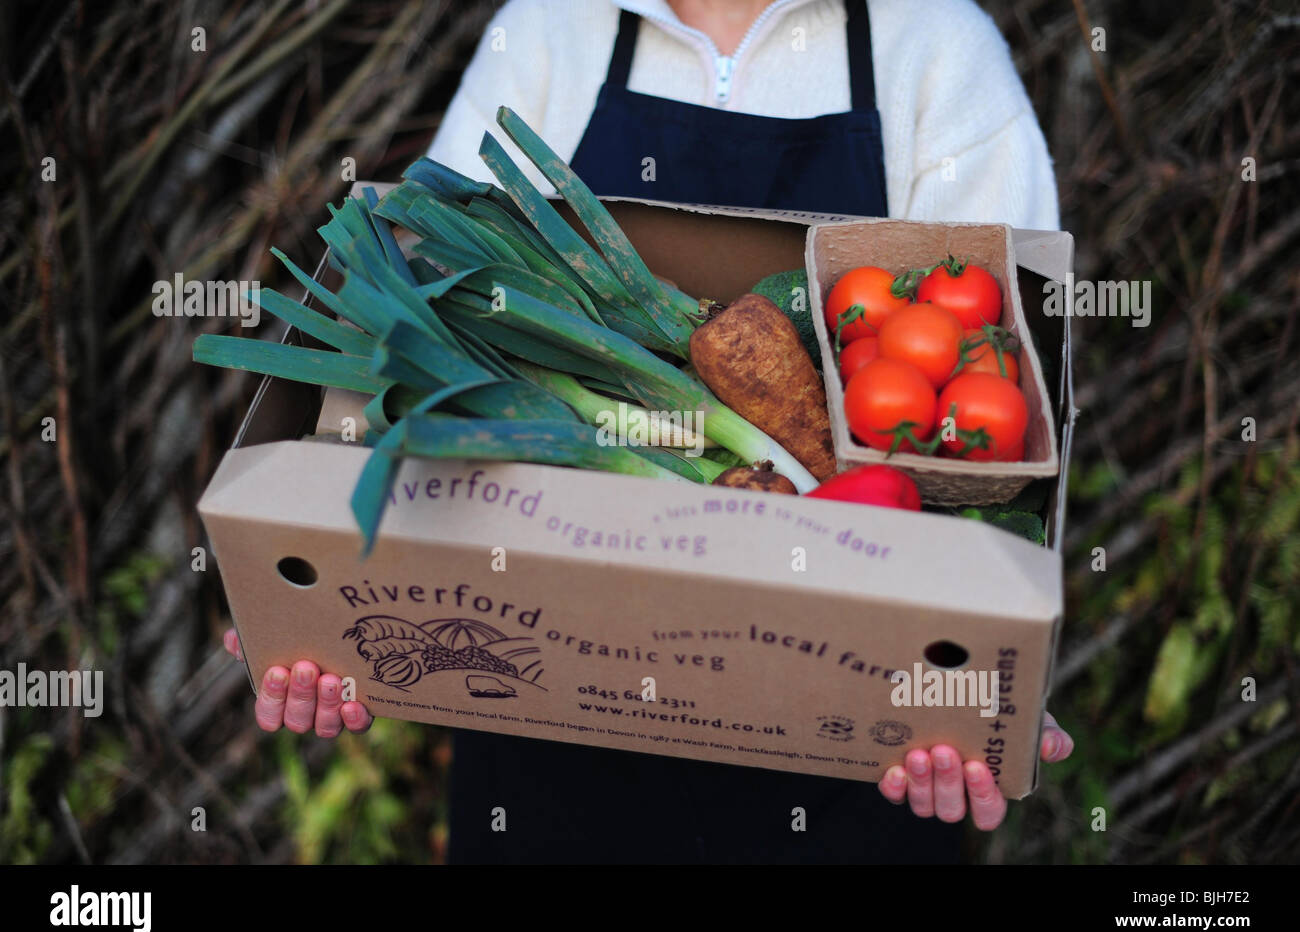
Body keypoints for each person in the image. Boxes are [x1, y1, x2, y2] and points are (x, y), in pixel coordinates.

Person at [222, 0, 1074, 862]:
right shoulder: (552, 27)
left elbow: (1006, 372)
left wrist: (986, 668)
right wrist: (341, 600)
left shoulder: (932, 42)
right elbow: (423, 273)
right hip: (546, 736)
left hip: (846, 735)